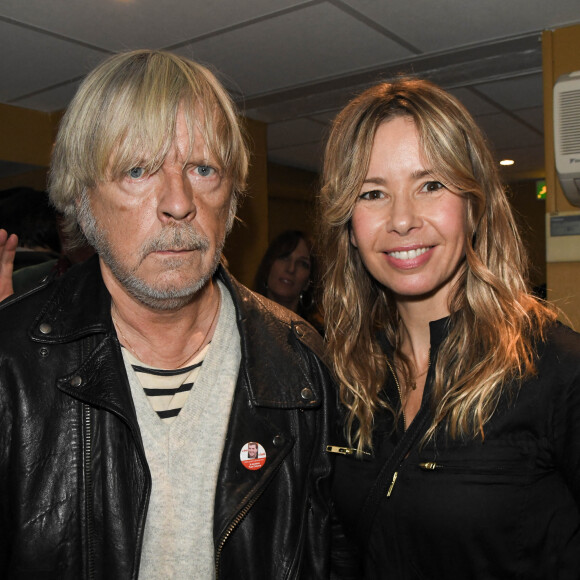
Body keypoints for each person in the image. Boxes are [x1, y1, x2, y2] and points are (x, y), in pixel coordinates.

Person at [0, 50, 335, 579]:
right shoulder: (11, 363)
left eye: (203, 169)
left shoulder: (302, 364)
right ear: (82, 197)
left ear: (231, 196)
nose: (179, 202)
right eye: (137, 170)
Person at [319, 78, 580, 578]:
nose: (402, 219)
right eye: (373, 193)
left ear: (474, 204)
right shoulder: (343, 379)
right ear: (349, 227)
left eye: (431, 184)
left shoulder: (556, 371)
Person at [254, 230, 323, 332]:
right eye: (284, 257)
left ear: (309, 281)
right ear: (268, 265)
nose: (291, 269)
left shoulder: (318, 338)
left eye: (302, 263)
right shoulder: (242, 320)